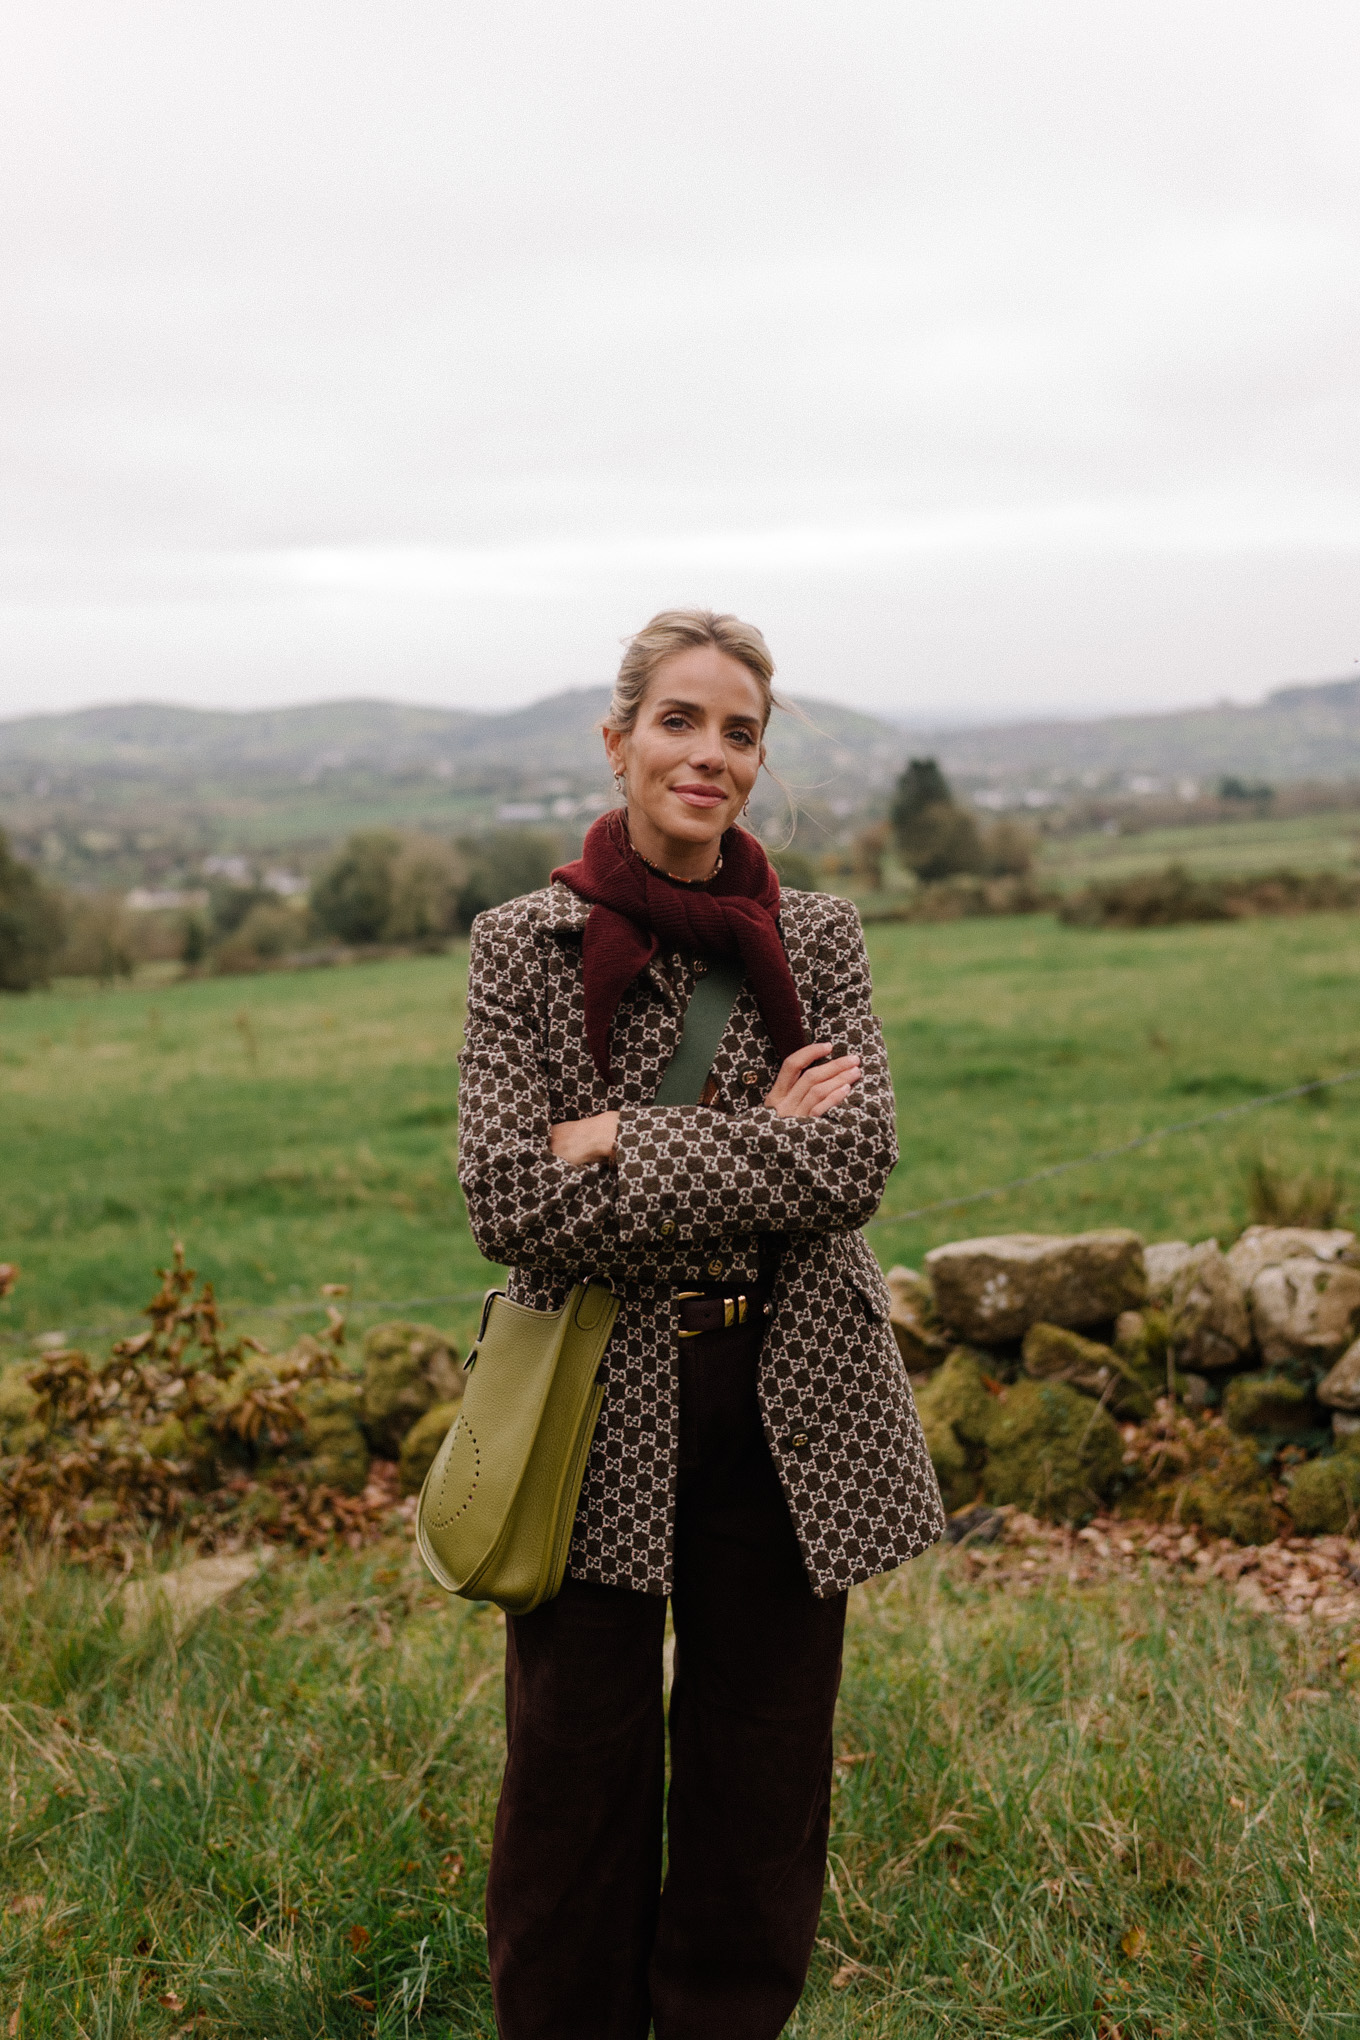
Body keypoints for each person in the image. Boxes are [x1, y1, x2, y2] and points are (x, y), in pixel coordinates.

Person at [457, 609, 944, 2040]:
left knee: (763, 1764)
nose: (709, 754)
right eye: (680, 721)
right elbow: (506, 1197)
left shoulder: (823, 940)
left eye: (739, 732)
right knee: (573, 1770)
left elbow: (850, 1167)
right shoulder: (523, 946)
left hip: (792, 1389)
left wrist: (613, 1138)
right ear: (619, 742)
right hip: (593, 1401)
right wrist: (746, 1149)